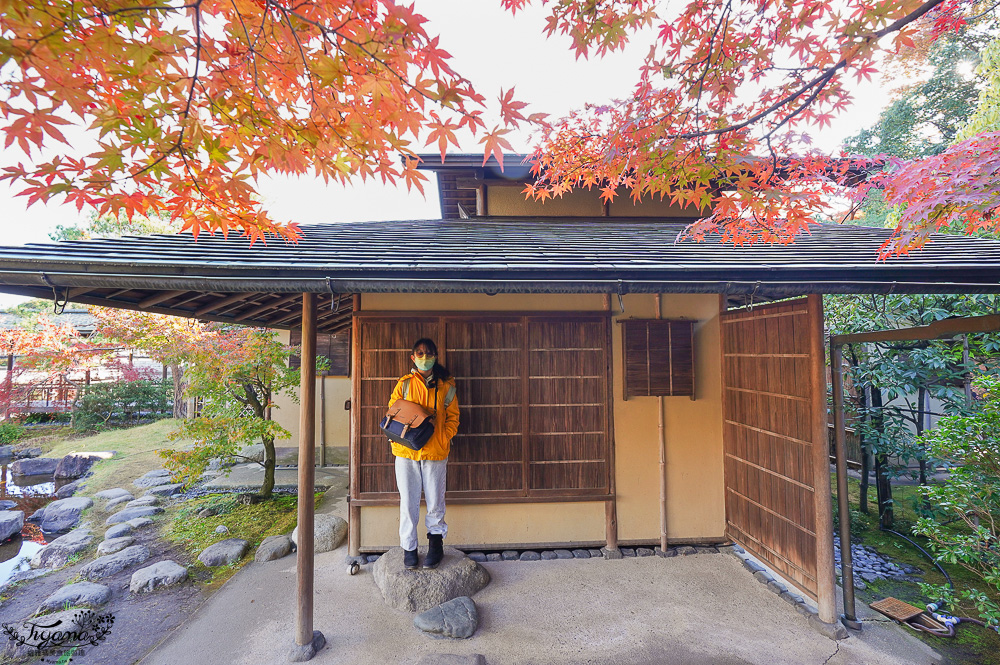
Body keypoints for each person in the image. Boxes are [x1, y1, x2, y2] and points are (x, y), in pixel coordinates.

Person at [388, 338, 460, 570]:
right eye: (420, 353)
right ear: (413, 357)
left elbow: (453, 417)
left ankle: (435, 547)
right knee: (408, 502)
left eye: (428, 353)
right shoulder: (405, 383)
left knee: (435, 501)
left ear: (436, 356)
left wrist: (443, 436)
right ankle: (409, 549)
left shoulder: (447, 386)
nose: (424, 356)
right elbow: (392, 411)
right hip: (406, 451)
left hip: (436, 452)